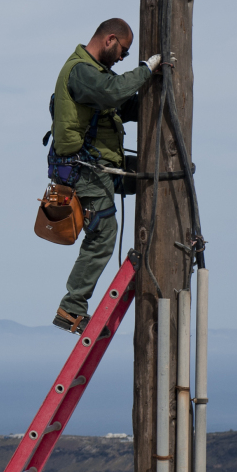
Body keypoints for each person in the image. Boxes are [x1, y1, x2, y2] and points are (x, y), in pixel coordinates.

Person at [50, 18, 164, 334]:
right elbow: (113, 94)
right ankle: (71, 309)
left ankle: (73, 306)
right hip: (83, 170)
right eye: (123, 51)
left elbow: (123, 104)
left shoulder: (97, 76)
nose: (123, 58)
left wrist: (157, 95)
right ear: (110, 39)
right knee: (103, 232)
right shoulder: (82, 72)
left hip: (97, 167)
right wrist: (144, 70)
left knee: (151, 179)